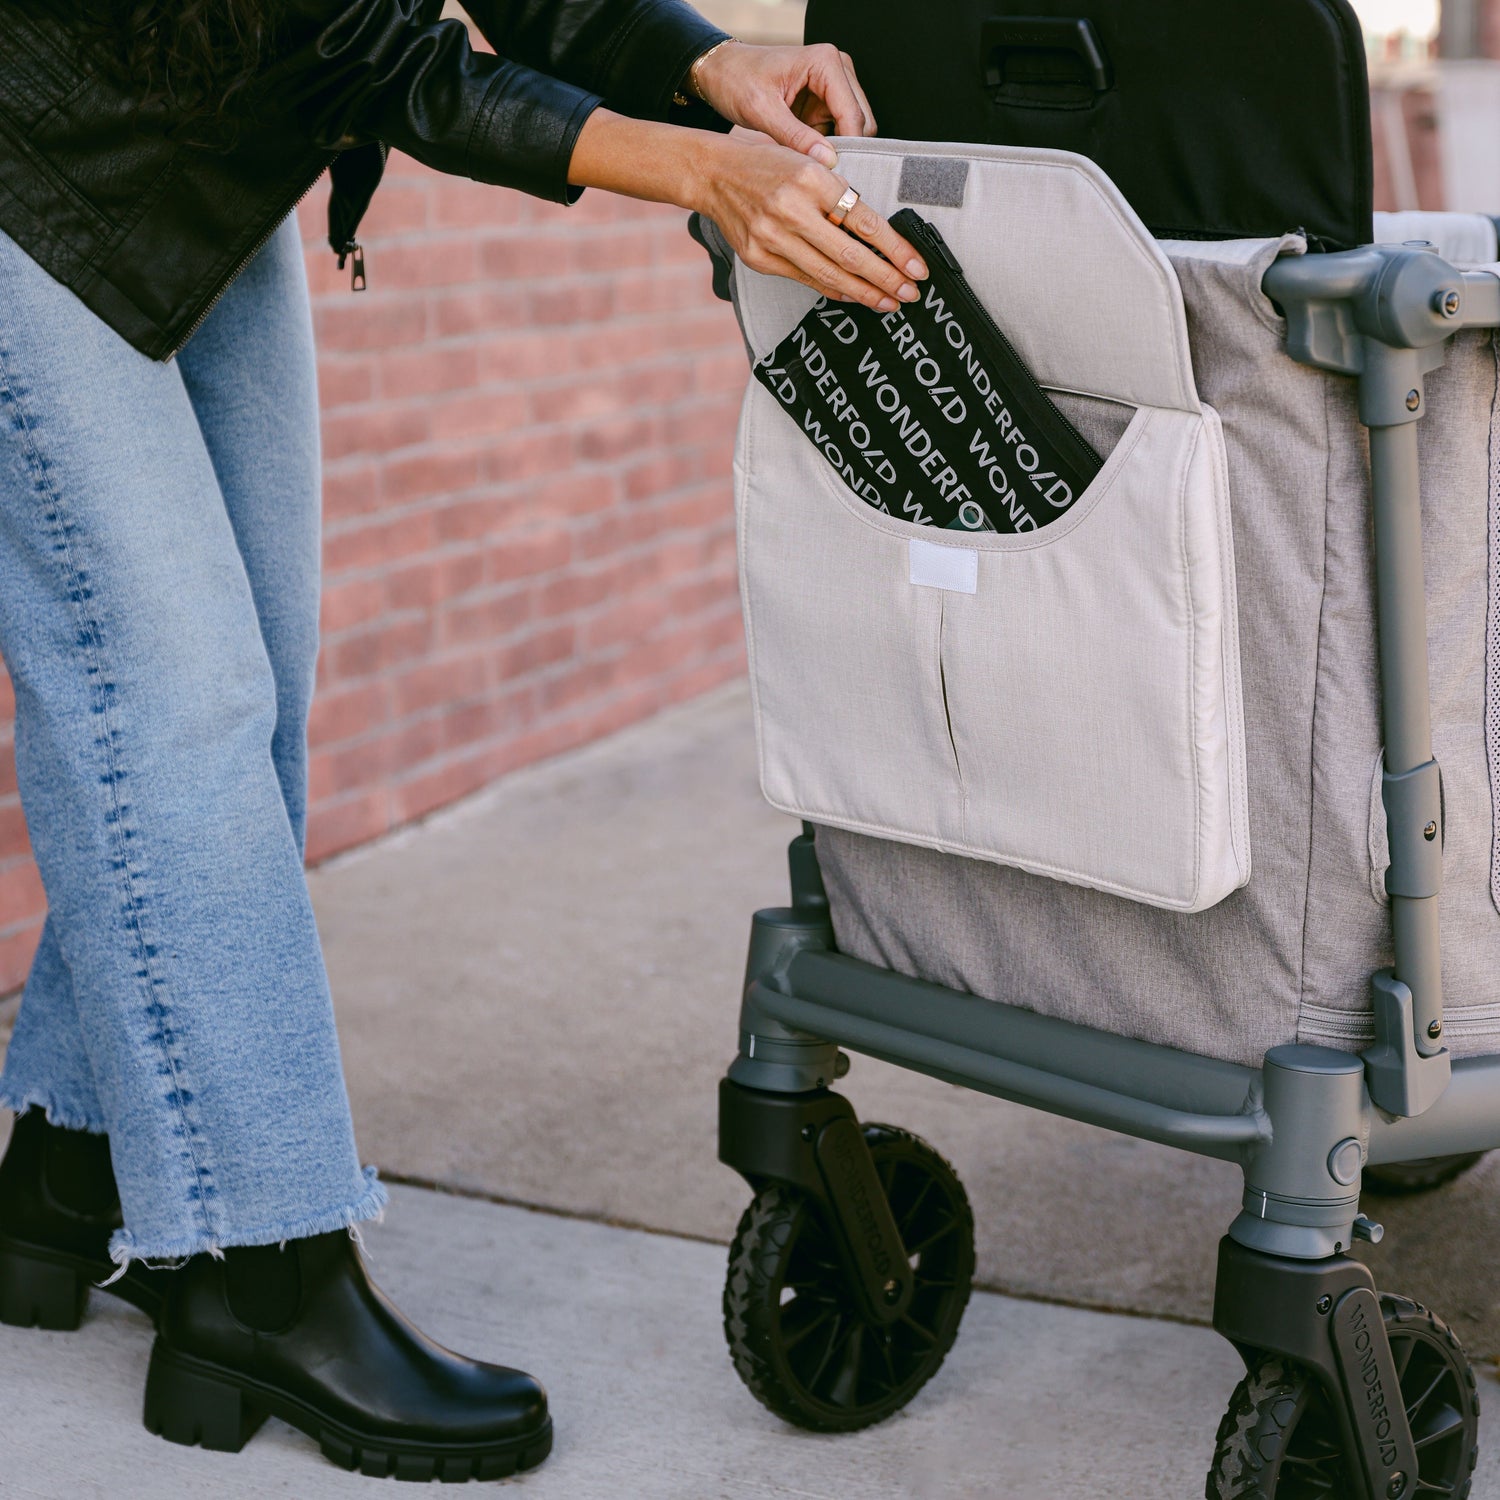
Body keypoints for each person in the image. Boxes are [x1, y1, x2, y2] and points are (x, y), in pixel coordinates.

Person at [0, 0, 927, 1483]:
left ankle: (69, 1168)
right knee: (172, 705)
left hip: (203, 144)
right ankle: (260, 1275)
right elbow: (363, 49)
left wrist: (704, 65)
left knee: (255, 685)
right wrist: (696, 171)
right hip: (26, 168)